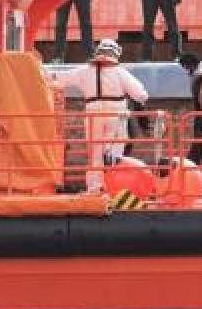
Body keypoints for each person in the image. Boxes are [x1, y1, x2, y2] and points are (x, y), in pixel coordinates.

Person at [49, 38, 147, 193]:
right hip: (116, 114)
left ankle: (94, 188)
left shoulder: (84, 71)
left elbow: (59, 78)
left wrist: (40, 74)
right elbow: (141, 94)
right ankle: (112, 187)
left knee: (95, 152)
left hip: (93, 113)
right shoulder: (120, 72)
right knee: (114, 152)